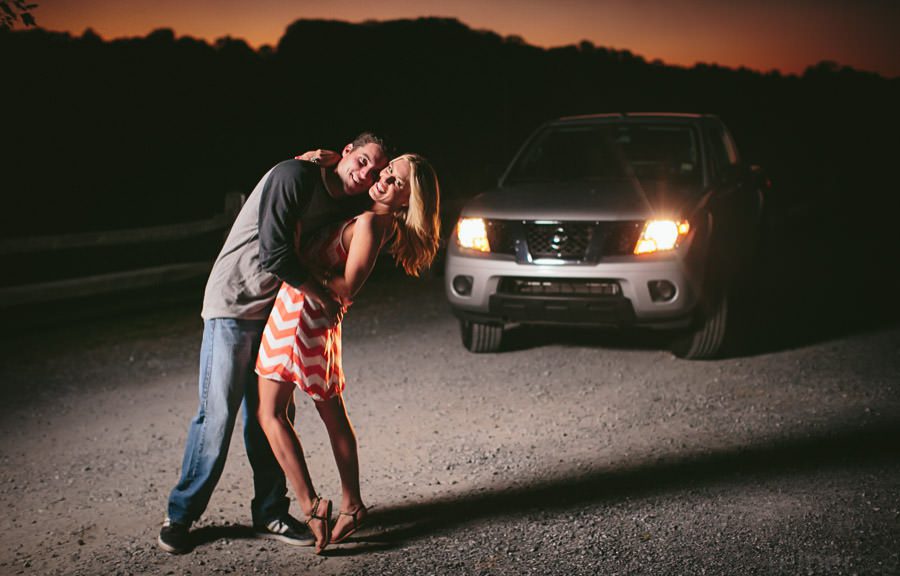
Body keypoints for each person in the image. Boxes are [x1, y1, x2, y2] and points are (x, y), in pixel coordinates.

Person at [157, 133, 389, 555]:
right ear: (348, 151)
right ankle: (181, 515)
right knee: (218, 414)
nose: (367, 173)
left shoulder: (344, 201)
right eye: (364, 161)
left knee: (269, 416)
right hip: (234, 302)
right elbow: (275, 255)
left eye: (376, 171)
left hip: (271, 311)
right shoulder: (294, 175)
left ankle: (271, 511)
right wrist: (328, 295)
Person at [255, 154, 440, 553]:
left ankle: (313, 506)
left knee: (271, 414)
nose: (384, 180)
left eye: (396, 183)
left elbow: (347, 288)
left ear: (408, 201)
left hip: (303, 315)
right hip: (308, 313)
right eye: (387, 172)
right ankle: (351, 504)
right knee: (328, 412)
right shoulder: (370, 215)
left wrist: (301, 259)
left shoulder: (374, 223)